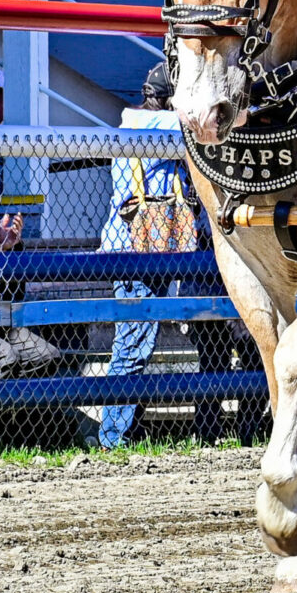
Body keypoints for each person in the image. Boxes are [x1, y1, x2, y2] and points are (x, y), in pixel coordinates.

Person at [98, 63, 203, 447]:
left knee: (138, 343)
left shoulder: (138, 123)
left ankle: (125, 428)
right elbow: (200, 128)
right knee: (133, 346)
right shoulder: (152, 127)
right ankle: (113, 435)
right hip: (136, 253)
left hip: (147, 251)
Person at [0, 156, 63, 380]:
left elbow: (13, 293)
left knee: (46, 356)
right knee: (2, 359)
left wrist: (8, 249)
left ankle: (8, 414)